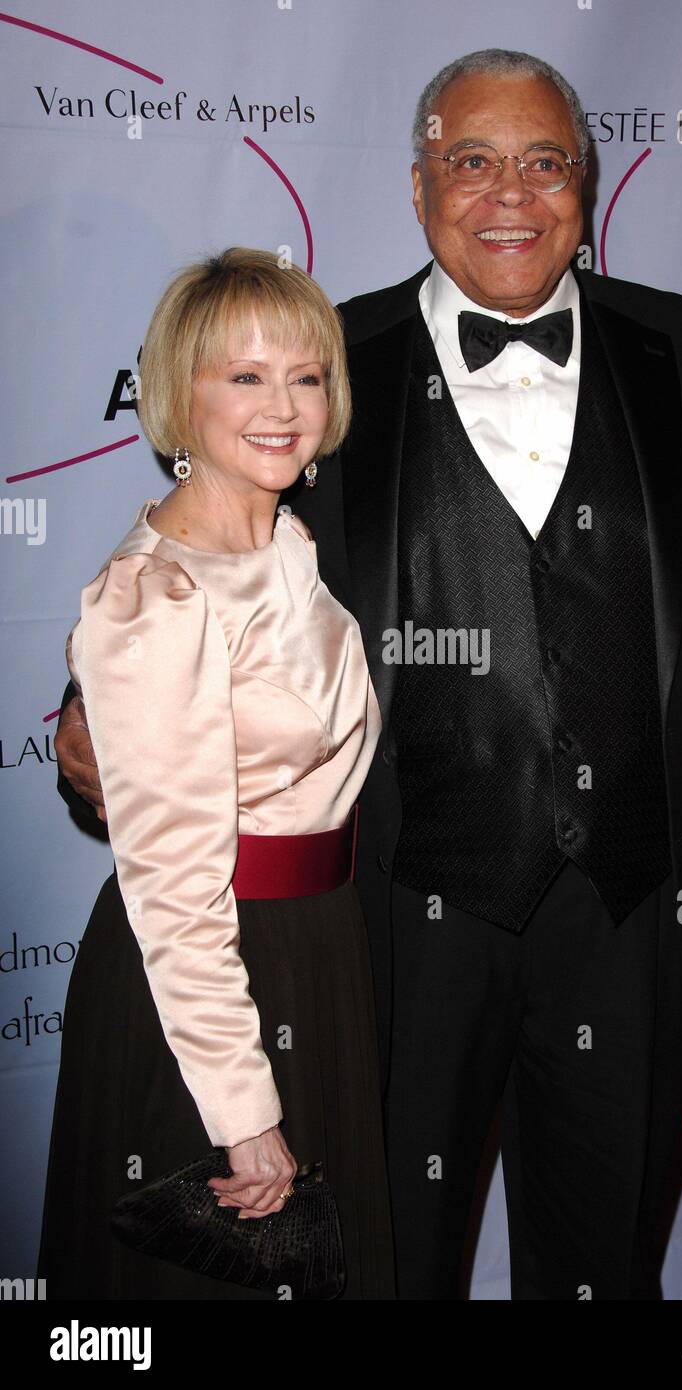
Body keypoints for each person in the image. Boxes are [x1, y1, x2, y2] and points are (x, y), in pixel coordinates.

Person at [56, 51, 682, 1300]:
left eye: (542, 162)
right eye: (471, 161)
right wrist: (89, 705)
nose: (507, 193)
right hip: (396, 925)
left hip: (634, 909)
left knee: (602, 1262)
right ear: (418, 188)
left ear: (586, 185)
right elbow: (191, 548)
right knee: (383, 1265)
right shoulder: (323, 364)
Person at [40, 248, 395, 1300]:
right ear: (175, 392)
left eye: (305, 374)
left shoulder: (287, 541)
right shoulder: (154, 597)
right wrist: (243, 1114)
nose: (282, 405)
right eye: (243, 376)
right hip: (205, 980)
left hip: (319, 952)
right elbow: (173, 889)